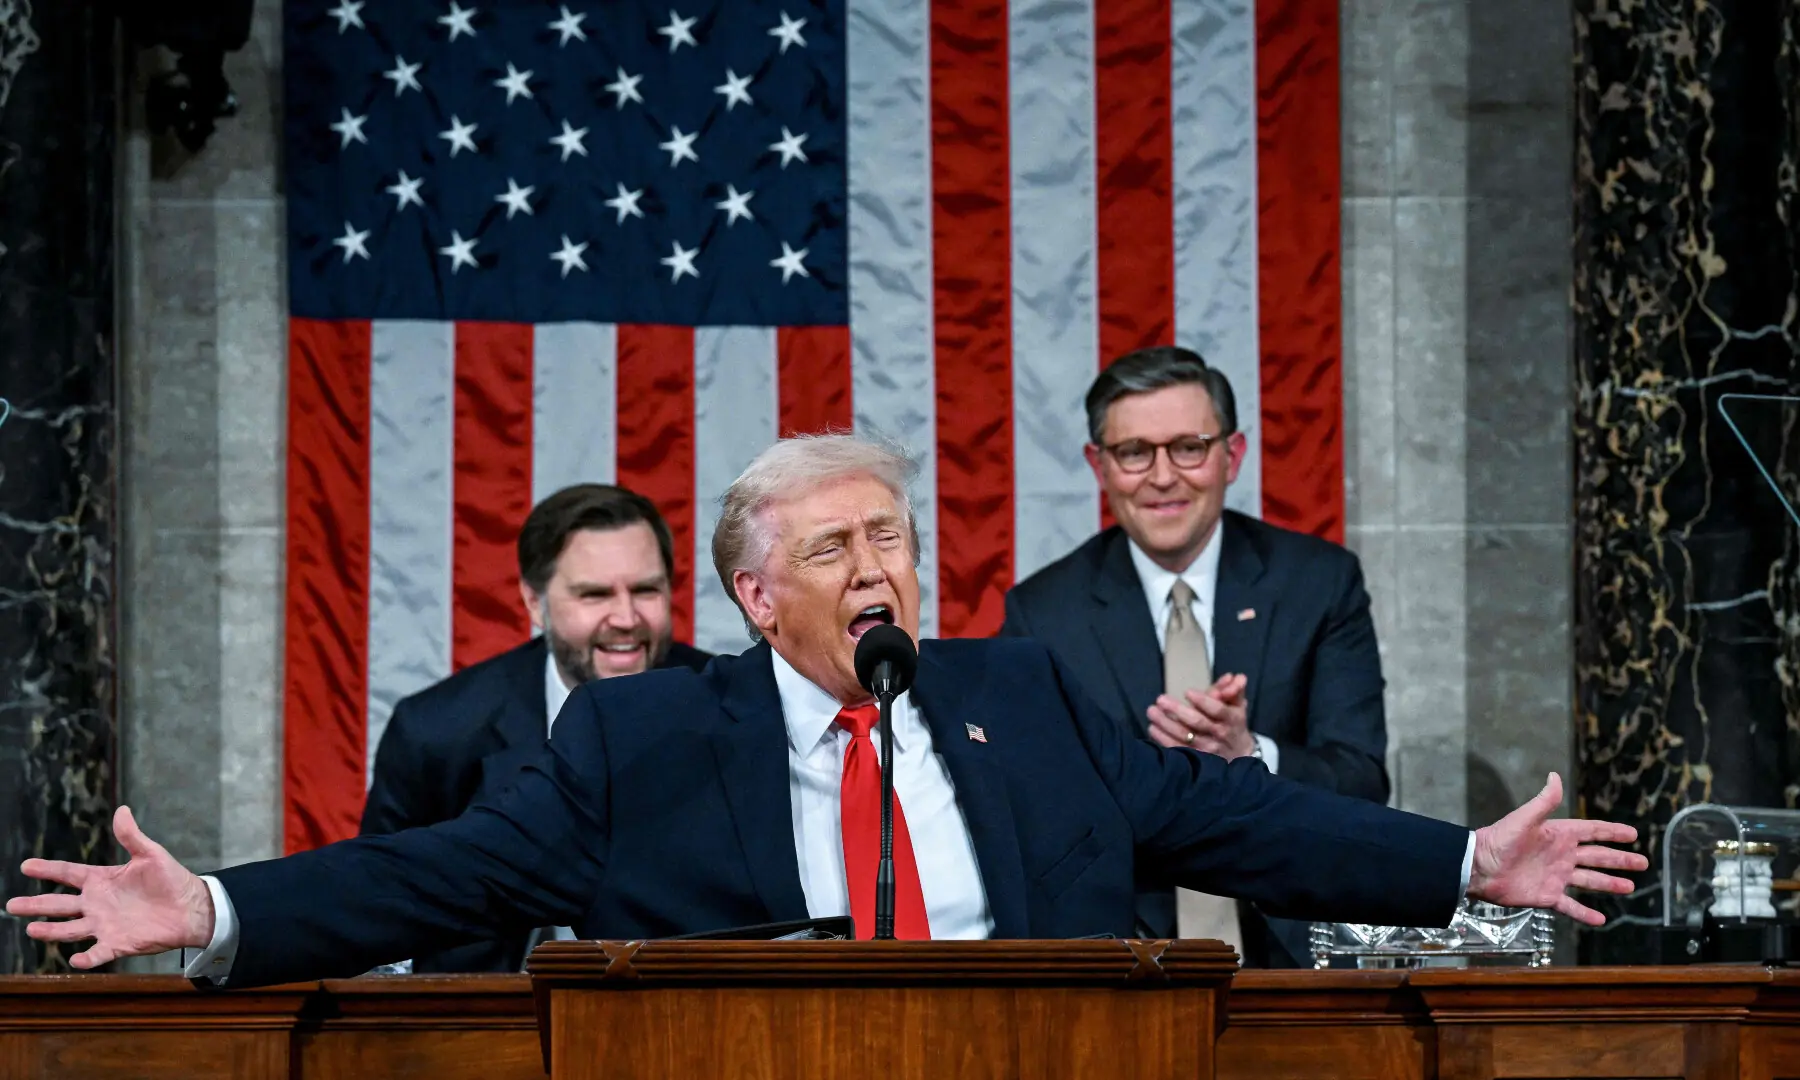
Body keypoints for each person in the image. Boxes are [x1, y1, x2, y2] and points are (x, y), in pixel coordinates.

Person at [7, 435, 1645, 988]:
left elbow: (1236, 822)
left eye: (895, 538)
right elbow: (434, 878)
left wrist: (1456, 867)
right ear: (753, 597)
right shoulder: (645, 739)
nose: (880, 567)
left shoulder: (1024, 691)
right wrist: (216, 906)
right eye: (835, 546)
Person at [1001, 346, 1387, 966]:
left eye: (1188, 447)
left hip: (1296, 952)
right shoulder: (1042, 613)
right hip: (1122, 957)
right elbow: (1030, 814)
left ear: (1231, 456)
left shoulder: (1318, 584)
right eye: (1134, 452)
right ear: (1098, 465)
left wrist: (1249, 756)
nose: (1161, 477)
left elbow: (1363, 781)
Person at [359, 483, 712, 972]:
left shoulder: (731, 708)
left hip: (682, 1014)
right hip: (488, 1020)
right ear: (533, 601)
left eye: (646, 590)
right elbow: (380, 902)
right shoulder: (438, 731)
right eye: (595, 594)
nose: (627, 618)